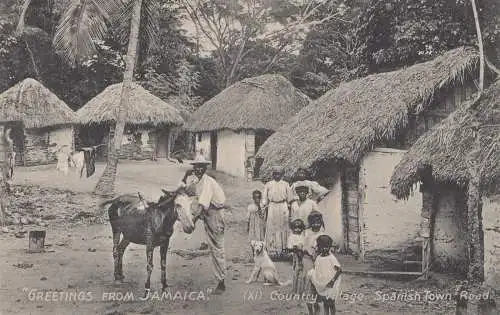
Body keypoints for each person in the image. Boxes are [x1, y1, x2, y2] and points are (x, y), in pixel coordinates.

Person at [179, 157, 227, 294]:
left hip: (215, 215)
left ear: (205, 168)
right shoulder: (197, 181)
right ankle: (220, 278)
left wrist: (191, 223)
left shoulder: (208, 182)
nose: (198, 169)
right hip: (208, 215)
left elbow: (202, 205)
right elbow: (186, 191)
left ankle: (221, 282)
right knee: (213, 247)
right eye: (196, 167)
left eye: (201, 167)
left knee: (217, 248)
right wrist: (185, 176)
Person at [261, 166, 293, 259]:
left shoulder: (286, 184)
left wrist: (289, 209)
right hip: (272, 206)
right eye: (275, 173)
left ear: (282, 174)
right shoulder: (268, 184)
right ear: (272, 174)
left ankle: (284, 249)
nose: (277, 175)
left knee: (283, 227)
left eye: (278, 173)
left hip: (283, 206)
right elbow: (264, 198)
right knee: (272, 226)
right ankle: (272, 250)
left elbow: (289, 198)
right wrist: (264, 206)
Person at [308, 235, 342, 315]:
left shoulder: (331, 258)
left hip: (330, 284)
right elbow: (316, 268)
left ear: (330, 247)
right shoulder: (318, 258)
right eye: (322, 247)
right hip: (323, 284)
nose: (324, 249)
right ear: (318, 247)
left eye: (326, 247)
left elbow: (339, 270)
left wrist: (332, 281)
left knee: (331, 302)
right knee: (325, 303)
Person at [302, 211, 328, 315]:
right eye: (314, 222)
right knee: (309, 283)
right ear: (310, 223)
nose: (316, 225)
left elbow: (327, 248)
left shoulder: (323, 234)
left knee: (318, 283)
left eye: (318, 222)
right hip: (308, 260)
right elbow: (303, 246)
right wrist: (308, 252)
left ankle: (317, 306)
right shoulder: (306, 233)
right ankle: (310, 310)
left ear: (321, 222)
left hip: (319, 261)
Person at [287, 218, 306, 294]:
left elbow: (304, 245)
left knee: (302, 273)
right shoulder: (291, 236)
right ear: (293, 228)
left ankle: (300, 290)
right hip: (296, 255)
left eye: (299, 228)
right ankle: (294, 290)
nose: (297, 230)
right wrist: (295, 249)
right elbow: (290, 247)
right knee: (296, 272)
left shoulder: (303, 236)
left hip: (302, 255)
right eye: (296, 228)